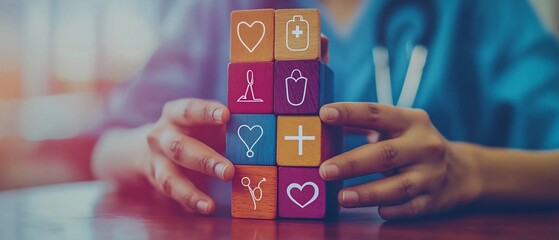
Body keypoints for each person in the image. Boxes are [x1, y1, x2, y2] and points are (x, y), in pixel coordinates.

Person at [91, 0, 559, 219]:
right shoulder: (219, 10)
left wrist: (469, 170)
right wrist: (152, 149)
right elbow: (106, 148)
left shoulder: (483, 10)